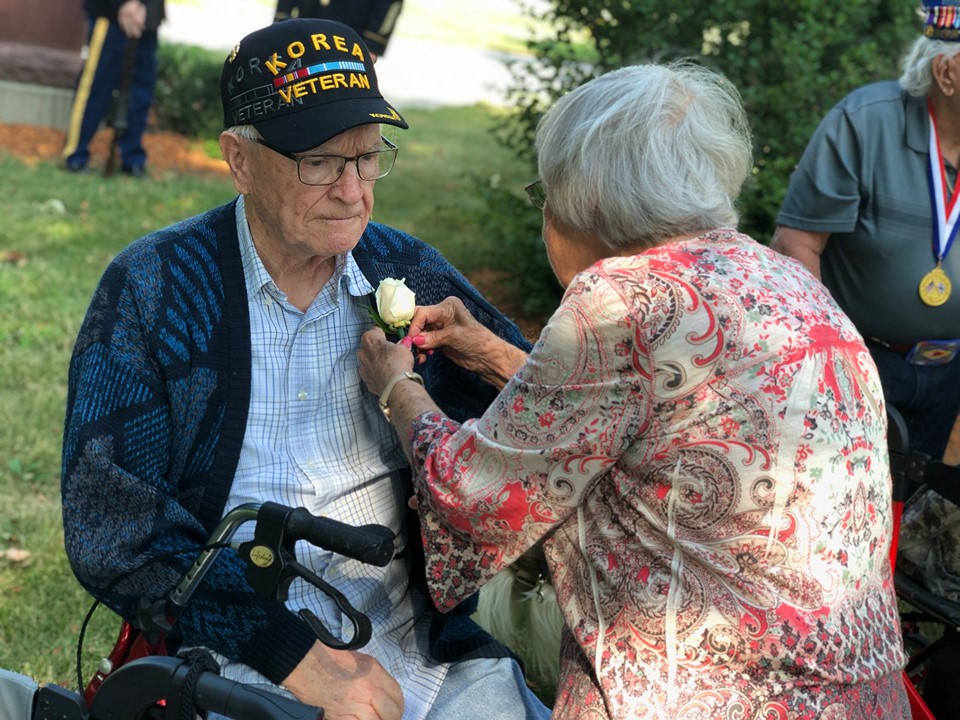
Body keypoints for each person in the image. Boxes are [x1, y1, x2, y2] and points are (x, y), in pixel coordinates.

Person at [356, 61, 911, 719]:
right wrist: (492, 354)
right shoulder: (783, 280)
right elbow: (652, 416)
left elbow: (481, 498)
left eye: (545, 196)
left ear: (583, 198)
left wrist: (398, 387)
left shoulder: (620, 300)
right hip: (859, 694)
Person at [60, 18, 550, 720]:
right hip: (231, 657)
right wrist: (293, 655)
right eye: (320, 163)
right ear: (240, 159)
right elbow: (112, 524)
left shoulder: (405, 269)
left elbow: (562, 430)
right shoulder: (155, 288)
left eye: (368, 158)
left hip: (422, 655)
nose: (352, 192)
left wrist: (493, 357)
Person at [773, 3, 960, 714]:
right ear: (948, 69)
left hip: (949, 372)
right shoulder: (868, 122)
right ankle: (817, 666)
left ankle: (887, 663)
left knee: (910, 518)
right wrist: (838, 366)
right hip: (858, 362)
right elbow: (798, 246)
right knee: (830, 525)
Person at [61, 0, 165, 176]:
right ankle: (76, 154)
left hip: (147, 16)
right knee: (94, 87)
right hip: (109, 12)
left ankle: (132, 160)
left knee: (141, 93)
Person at [274, 0, 403, 59]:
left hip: (352, 34)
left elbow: (389, 4)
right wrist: (281, 21)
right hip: (305, 24)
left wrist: (372, 44)